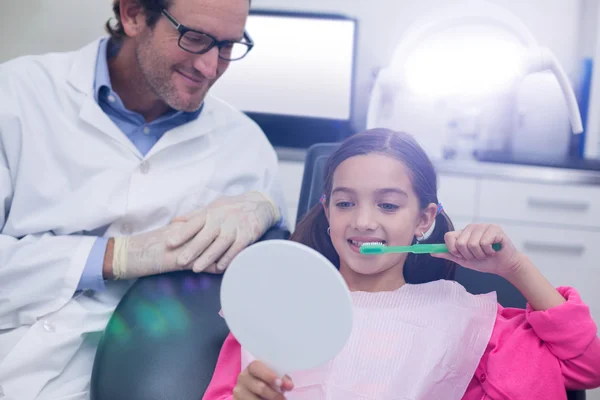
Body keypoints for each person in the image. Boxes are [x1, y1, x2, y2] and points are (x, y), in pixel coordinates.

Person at [0, 0, 287, 398]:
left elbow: (272, 291)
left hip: (139, 381)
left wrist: (268, 213)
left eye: (227, 46)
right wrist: (116, 256)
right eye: (195, 38)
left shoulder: (246, 146)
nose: (210, 67)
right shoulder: (15, 95)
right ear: (134, 14)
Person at [202, 129, 600, 400]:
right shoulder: (270, 314)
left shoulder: (464, 320)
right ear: (327, 212)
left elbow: (587, 367)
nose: (362, 221)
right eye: (345, 203)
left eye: (388, 205)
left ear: (424, 220)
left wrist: (515, 267)